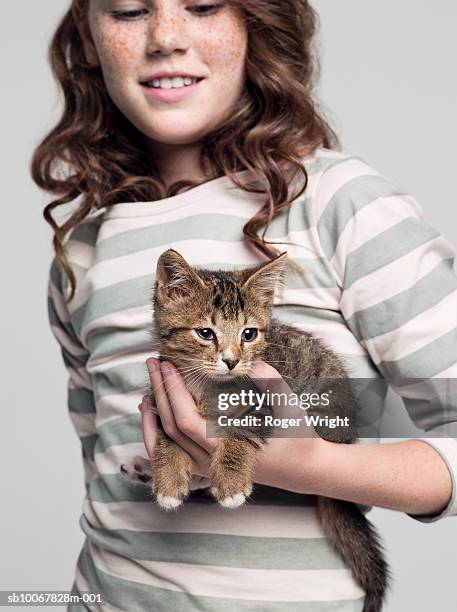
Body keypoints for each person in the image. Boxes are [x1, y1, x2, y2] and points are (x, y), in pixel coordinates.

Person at [32, 1, 457, 610]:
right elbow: (107, 472)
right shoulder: (82, 250)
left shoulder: (342, 204)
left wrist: (306, 465)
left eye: (203, 4)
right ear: (90, 37)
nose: (166, 37)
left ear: (255, 22)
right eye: (129, 10)